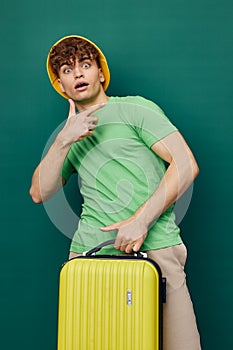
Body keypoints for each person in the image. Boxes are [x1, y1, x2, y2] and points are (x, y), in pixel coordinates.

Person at [29, 35, 202, 349]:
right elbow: (39, 192)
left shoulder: (135, 109)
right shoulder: (68, 134)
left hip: (157, 249)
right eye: (67, 70)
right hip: (90, 257)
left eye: (85, 65)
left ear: (100, 73)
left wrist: (140, 221)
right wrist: (64, 140)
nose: (78, 74)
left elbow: (186, 164)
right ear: (61, 85)